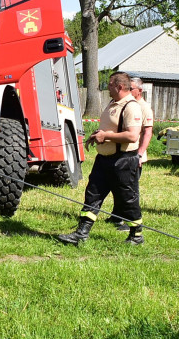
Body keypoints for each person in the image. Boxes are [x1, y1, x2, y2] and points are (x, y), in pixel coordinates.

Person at [57, 72, 145, 245]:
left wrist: (106, 136)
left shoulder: (131, 107)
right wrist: (98, 135)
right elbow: (109, 128)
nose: (107, 87)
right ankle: (81, 234)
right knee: (92, 194)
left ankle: (136, 235)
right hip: (104, 160)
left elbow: (133, 136)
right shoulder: (113, 104)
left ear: (119, 86)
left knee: (127, 199)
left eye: (110, 84)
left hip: (123, 161)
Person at [107, 76, 154, 231]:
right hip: (119, 154)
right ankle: (117, 215)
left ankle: (130, 223)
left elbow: (147, 133)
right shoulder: (123, 104)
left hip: (133, 155)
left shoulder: (143, 107)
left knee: (130, 191)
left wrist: (139, 154)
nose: (128, 90)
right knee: (118, 187)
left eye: (131, 88)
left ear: (139, 91)